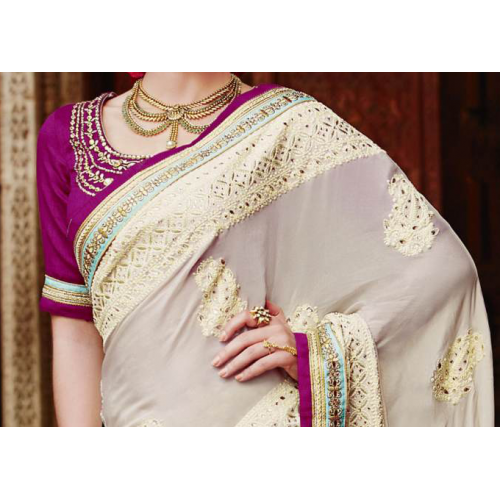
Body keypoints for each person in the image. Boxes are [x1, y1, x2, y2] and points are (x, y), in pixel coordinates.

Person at [37, 72, 494, 426]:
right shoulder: (67, 138)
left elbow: (441, 273)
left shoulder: (292, 126)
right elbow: (75, 330)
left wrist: (315, 353)